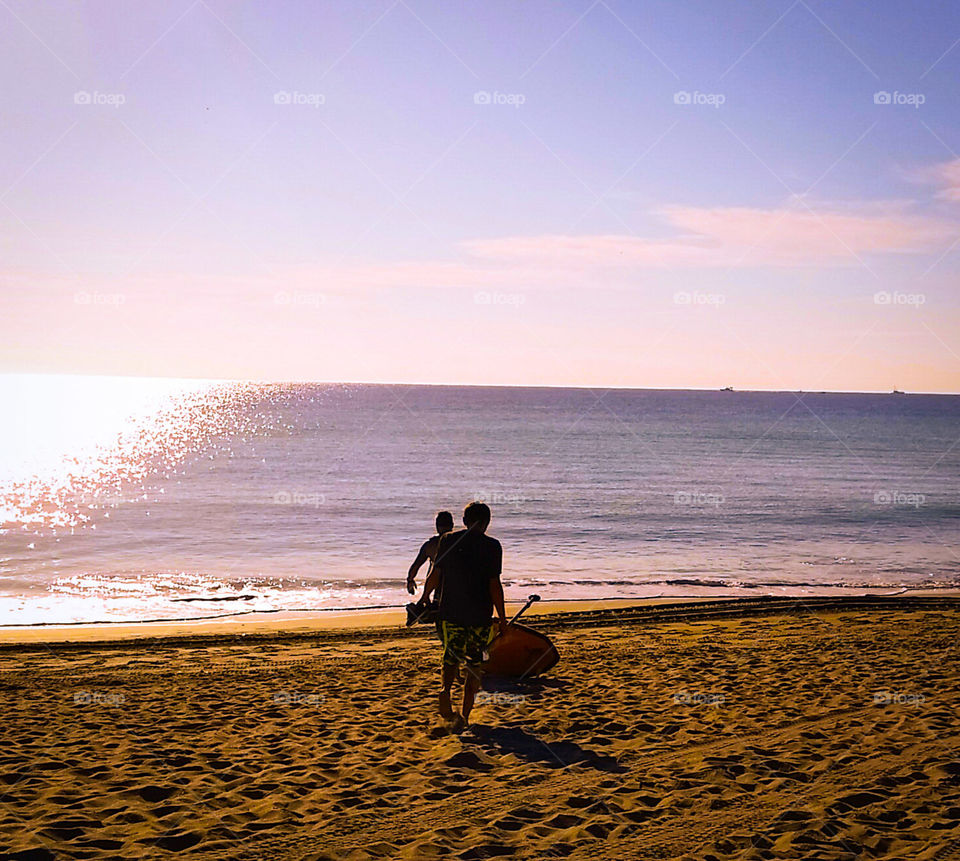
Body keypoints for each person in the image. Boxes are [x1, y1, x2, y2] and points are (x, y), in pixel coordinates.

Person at [422, 501, 508, 733]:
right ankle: (466, 716)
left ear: (464, 521)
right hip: (480, 616)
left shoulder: (448, 540)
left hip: (451, 614)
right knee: (474, 665)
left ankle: (445, 691)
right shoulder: (492, 547)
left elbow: (435, 574)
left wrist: (424, 597)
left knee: (450, 656)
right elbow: (494, 586)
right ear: (487, 523)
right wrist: (502, 618)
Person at [406, 511, 454, 597]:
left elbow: (416, 566)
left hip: (438, 584)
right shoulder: (460, 542)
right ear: (452, 525)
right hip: (458, 583)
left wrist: (410, 580)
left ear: (436, 526)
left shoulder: (430, 545)